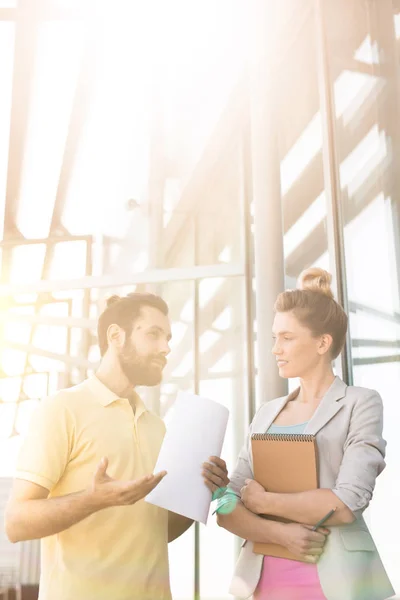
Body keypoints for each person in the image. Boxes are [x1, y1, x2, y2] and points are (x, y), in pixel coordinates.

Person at [5, 292, 229, 600]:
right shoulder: (61, 409)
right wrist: (92, 500)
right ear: (116, 336)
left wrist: (199, 493)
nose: (165, 348)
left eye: (167, 338)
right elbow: (16, 523)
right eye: (154, 334)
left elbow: (155, 534)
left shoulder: (157, 427)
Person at [217, 268, 394, 600]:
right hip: (265, 579)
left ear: (322, 343)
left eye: (287, 337)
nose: (275, 349)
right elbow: (228, 508)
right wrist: (277, 532)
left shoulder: (361, 403)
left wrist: (266, 502)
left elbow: (346, 503)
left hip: (336, 580)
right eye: (274, 338)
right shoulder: (265, 413)